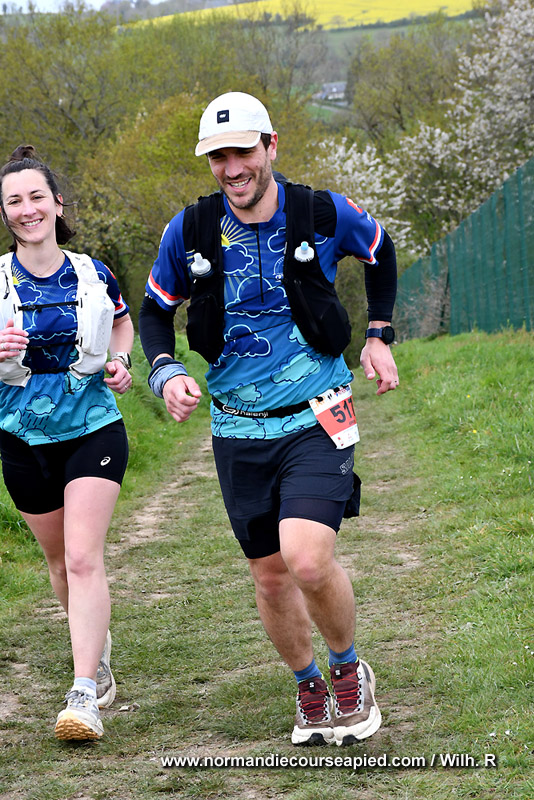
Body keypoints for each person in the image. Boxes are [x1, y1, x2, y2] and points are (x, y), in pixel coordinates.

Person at [138, 91, 399, 746]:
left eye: (243, 152)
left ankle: (348, 669)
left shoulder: (321, 212)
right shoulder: (189, 231)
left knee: (306, 560)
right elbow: (154, 310)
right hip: (235, 427)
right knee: (270, 573)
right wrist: (165, 370)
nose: (232, 168)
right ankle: (308, 683)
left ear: (271, 146)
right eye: (218, 157)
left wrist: (379, 334)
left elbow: (380, 249)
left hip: (318, 413)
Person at [0, 145, 134, 741]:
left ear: (57, 203)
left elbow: (122, 323)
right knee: (59, 563)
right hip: (20, 436)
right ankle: (96, 650)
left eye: (36, 196)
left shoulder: (92, 272)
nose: (27, 209)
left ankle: (84, 693)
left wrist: (122, 361)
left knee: (82, 557)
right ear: (5, 213)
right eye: (14, 201)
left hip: (92, 427)